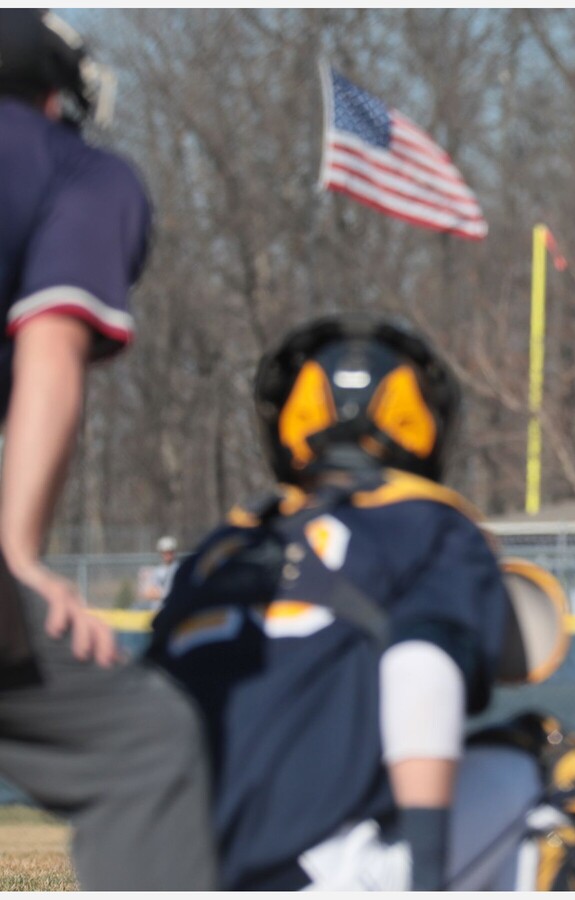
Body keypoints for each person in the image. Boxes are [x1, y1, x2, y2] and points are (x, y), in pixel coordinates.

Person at [147, 314, 575, 890]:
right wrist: (426, 877)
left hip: (167, 866)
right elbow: (420, 669)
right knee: (547, 764)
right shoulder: (429, 520)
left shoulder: (226, 541)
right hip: (317, 872)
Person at [0, 10, 217, 889]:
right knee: (145, 747)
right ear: (55, 90)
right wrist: (16, 554)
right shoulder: (75, 168)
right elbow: (51, 352)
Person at [135, 535, 179, 610]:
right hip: (157, 610)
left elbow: (177, 592)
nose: (167, 555)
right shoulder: (157, 571)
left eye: (170, 552)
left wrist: (161, 594)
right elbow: (149, 592)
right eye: (165, 552)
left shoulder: (178, 569)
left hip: (173, 609)